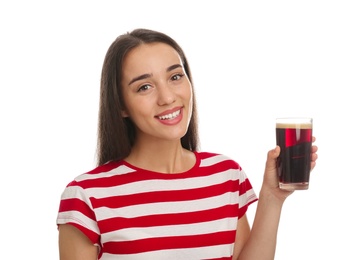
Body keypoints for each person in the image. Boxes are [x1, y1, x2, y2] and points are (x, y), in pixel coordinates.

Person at [56, 28, 318, 260]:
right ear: (121, 105)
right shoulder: (86, 197)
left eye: (175, 77)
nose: (168, 97)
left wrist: (272, 197)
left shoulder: (226, 176)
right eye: (145, 87)